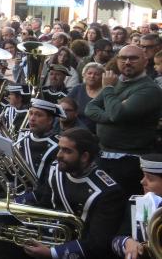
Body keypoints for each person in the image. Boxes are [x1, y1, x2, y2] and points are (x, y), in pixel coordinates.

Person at [22, 128, 125, 259]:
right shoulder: (56, 171)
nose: (58, 155)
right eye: (60, 148)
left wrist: (52, 253)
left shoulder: (108, 192)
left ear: (84, 157)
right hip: (51, 237)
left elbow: (97, 244)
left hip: (77, 250)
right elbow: (45, 205)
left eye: (67, 151)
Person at [85, 45, 162, 200]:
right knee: (101, 203)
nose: (127, 62)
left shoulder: (149, 89)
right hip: (103, 155)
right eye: (122, 58)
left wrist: (107, 89)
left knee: (119, 205)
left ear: (145, 61)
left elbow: (118, 114)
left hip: (129, 161)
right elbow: (90, 108)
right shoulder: (117, 83)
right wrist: (112, 116)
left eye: (133, 58)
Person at [16, 98, 65, 186]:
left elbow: (50, 184)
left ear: (50, 120)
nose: (32, 118)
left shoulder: (57, 146)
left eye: (38, 115)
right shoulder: (23, 135)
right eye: (30, 113)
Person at [67, 62, 104, 132]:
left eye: (96, 74)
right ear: (84, 75)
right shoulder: (77, 88)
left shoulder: (105, 92)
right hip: (73, 128)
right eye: (89, 73)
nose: (92, 76)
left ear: (102, 77)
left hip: (95, 131)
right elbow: (65, 104)